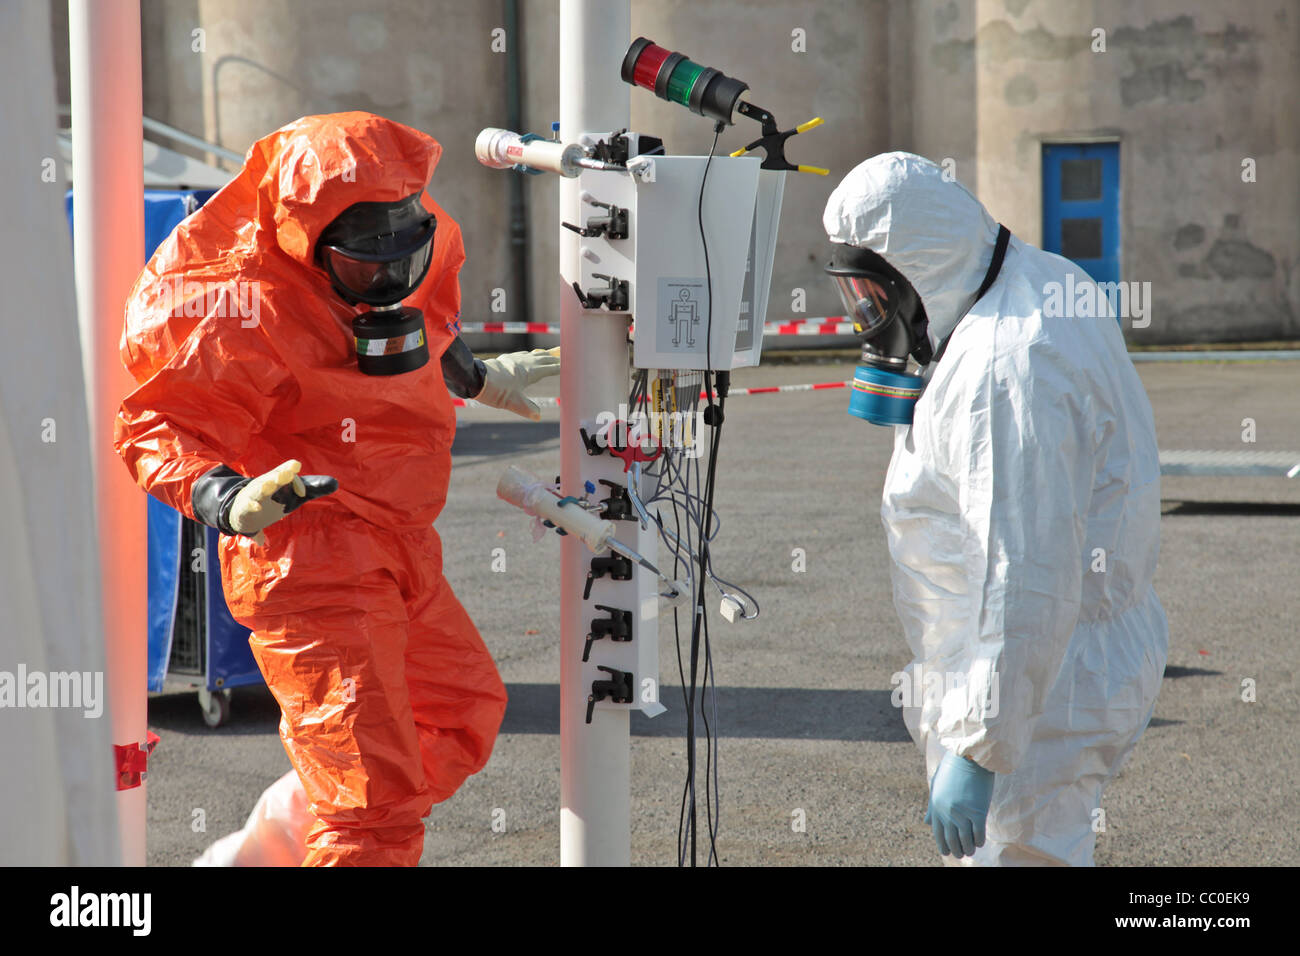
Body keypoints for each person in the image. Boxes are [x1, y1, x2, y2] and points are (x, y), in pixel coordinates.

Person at [115, 112, 558, 866]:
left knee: (458, 718)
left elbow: (417, 313)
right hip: (310, 559)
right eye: (365, 265)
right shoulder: (231, 299)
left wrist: (468, 369)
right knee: (373, 814)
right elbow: (158, 423)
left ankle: (274, 843)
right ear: (308, 240)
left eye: (402, 254)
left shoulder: (416, 232)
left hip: (401, 537)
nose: (387, 277)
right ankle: (323, 827)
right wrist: (224, 497)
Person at [822, 152, 1168, 866]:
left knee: (1023, 853)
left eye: (871, 296)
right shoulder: (1038, 279)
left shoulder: (1004, 372)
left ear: (917, 269)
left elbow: (1026, 574)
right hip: (1042, 666)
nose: (864, 317)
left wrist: (982, 748)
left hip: (1036, 687)